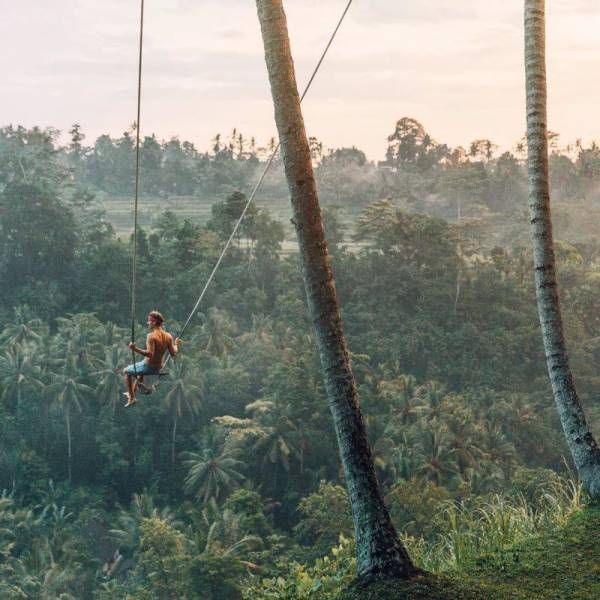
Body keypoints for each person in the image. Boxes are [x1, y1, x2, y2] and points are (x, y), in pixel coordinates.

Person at [123, 310, 179, 407]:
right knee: (140, 372)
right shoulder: (168, 336)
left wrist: (135, 349)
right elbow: (173, 353)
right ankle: (132, 391)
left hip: (148, 366)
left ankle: (131, 398)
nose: (148, 323)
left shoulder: (151, 336)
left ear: (154, 322)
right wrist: (176, 345)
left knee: (126, 371)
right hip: (158, 367)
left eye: (149, 321)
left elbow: (149, 354)